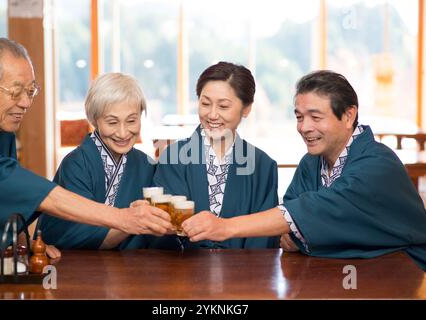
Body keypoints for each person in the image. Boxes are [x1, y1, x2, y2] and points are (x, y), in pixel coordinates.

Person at [181, 70, 426, 270]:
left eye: (315, 117)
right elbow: (290, 233)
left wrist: (224, 227)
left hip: (404, 274)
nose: (305, 127)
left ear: (349, 115)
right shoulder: (311, 163)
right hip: (342, 275)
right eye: (299, 117)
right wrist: (306, 231)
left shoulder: (377, 164)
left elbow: (309, 212)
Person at [0, 38, 172, 271]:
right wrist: (125, 219)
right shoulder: (78, 162)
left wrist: (24, 245)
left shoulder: (2, 131)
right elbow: (23, 188)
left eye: (30, 91)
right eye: (16, 92)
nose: (27, 102)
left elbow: (5, 201)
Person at [151, 61, 279, 249]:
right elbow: (164, 232)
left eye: (223, 106)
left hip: (245, 272)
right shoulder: (173, 157)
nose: (212, 115)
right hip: (183, 271)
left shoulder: (263, 166)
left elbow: (264, 237)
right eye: (205, 103)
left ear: (246, 109)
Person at [39, 73, 156, 250]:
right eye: (112, 122)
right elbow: (75, 234)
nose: (123, 133)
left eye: (132, 121)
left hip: (133, 267)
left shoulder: (146, 164)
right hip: (81, 267)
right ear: (95, 120)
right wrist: (131, 220)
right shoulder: (76, 164)